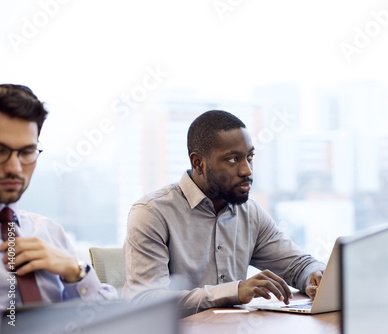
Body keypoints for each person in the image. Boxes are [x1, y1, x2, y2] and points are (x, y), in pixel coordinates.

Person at [123, 110, 325, 315]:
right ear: (198, 163)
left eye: (249, 157)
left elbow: (298, 265)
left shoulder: (250, 213)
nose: (247, 170)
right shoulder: (151, 213)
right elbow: (146, 300)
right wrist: (235, 291)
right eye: (232, 159)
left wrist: (314, 276)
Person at [0, 84, 117, 310]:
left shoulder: (50, 232)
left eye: (26, 152)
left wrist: (75, 271)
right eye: (0, 150)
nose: (15, 167)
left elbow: (109, 317)